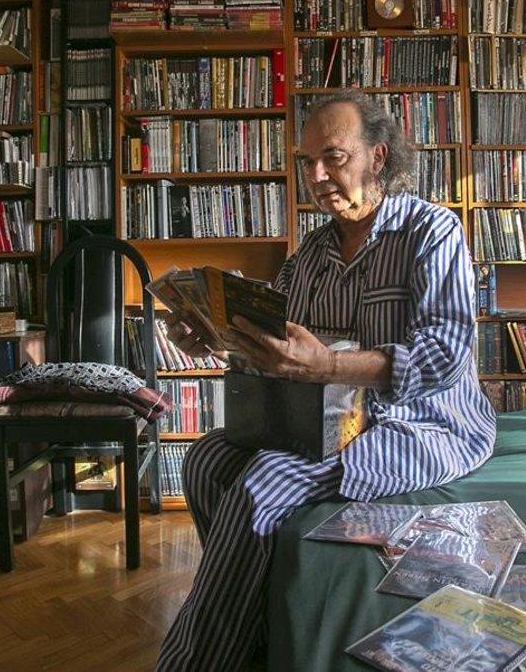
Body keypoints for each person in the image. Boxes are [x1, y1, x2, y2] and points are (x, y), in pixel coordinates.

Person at [155, 91, 498, 671]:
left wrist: (329, 366)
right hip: (322, 420)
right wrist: (218, 340)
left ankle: (197, 661)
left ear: (377, 157)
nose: (316, 176)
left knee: (267, 479)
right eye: (307, 161)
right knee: (206, 460)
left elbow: (444, 353)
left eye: (334, 157)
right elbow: (281, 354)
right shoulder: (309, 253)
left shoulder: (432, 231)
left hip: (423, 424)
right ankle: (254, 622)